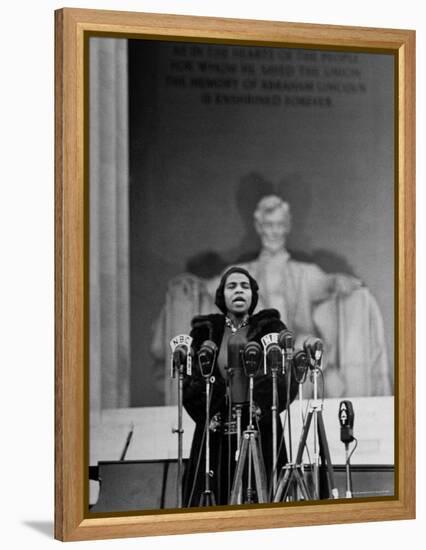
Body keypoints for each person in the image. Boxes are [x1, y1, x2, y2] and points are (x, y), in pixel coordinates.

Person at [182, 267, 299, 507]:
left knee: (263, 497)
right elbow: (190, 381)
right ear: (221, 295)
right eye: (232, 286)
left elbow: (285, 380)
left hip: (260, 427)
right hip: (215, 431)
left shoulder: (271, 328)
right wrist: (212, 410)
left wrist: (259, 407)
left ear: (253, 295)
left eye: (244, 287)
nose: (238, 291)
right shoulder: (204, 332)